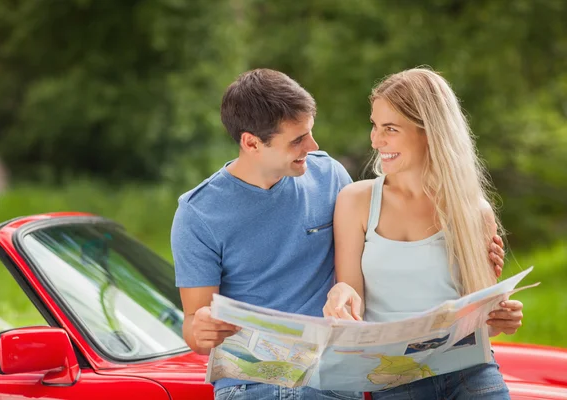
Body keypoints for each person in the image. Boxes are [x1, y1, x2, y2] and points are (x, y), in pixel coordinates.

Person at [170, 68, 511, 400]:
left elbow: (369, 255)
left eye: (310, 131)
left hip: (327, 379)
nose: (313, 145)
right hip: (250, 382)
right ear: (251, 143)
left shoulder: (328, 176)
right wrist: (201, 331)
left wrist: (473, 255)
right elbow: (195, 328)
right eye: (298, 139)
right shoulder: (198, 212)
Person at [322, 68, 523, 399]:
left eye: (390, 129)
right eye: (375, 125)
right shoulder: (356, 201)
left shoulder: (473, 211)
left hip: (470, 374)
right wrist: (338, 297)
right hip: (396, 378)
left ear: (429, 132)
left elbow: (484, 326)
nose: (376, 140)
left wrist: (501, 319)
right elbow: (351, 303)